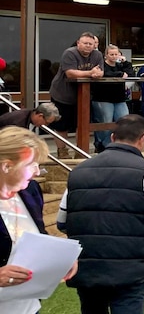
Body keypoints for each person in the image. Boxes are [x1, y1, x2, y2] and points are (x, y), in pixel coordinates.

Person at [58, 114, 144, 313]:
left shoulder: (78, 171)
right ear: (143, 139)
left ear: (112, 138)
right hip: (128, 270)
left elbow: (62, 222)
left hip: (88, 269)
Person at [0, 127, 76, 314]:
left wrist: (59, 259)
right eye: (31, 164)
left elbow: (37, 233)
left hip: (26, 305)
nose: (37, 172)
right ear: (6, 166)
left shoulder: (30, 191)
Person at [49, 32, 103, 159]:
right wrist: (91, 73)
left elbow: (100, 72)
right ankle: (62, 151)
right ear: (78, 43)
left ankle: (80, 151)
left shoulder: (97, 55)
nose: (88, 46)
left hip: (83, 97)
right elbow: (70, 73)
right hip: (62, 95)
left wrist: (98, 74)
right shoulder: (70, 53)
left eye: (91, 44)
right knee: (61, 126)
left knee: (82, 125)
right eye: (85, 43)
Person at [91, 44, 135, 152]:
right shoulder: (101, 64)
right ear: (106, 55)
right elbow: (104, 74)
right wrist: (120, 74)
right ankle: (103, 146)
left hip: (119, 98)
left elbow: (131, 73)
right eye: (111, 54)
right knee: (105, 123)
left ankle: (121, 144)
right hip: (103, 98)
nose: (114, 56)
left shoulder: (120, 65)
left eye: (116, 54)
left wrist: (125, 62)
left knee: (124, 120)